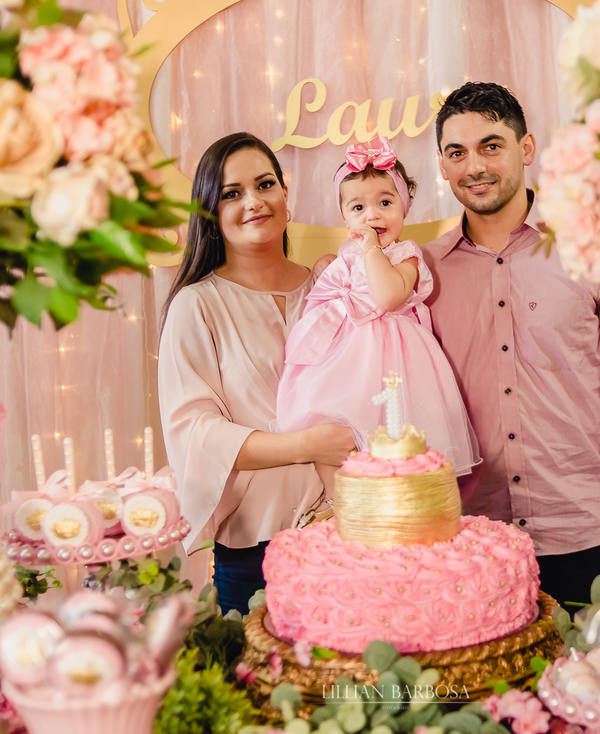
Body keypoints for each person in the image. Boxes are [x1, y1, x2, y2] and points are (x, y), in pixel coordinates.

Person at [422, 83, 600, 605]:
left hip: (588, 533)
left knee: (599, 685)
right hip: (471, 544)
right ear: (443, 166)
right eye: (457, 152)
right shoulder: (421, 273)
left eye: (491, 145)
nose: (475, 165)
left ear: (527, 148)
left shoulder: (593, 249)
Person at [158, 132, 356, 615]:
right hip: (255, 552)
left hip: (349, 537)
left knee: (350, 689)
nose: (254, 201)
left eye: (265, 184)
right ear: (209, 213)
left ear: (286, 196)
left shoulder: (332, 289)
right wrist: (308, 445)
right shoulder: (197, 305)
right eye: (232, 193)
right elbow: (196, 433)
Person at [273, 136, 479, 498]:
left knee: (398, 447)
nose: (372, 216)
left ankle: (396, 510)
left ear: (405, 207)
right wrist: (329, 269)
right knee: (331, 433)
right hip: (344, 362)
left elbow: (388, 294)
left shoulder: (406, 255)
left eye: (385, 202)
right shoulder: (347, 255)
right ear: (344, 216)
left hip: (396, 359)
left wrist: (370, 250)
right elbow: (325, 297)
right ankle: (343, 507)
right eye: (358, 208)